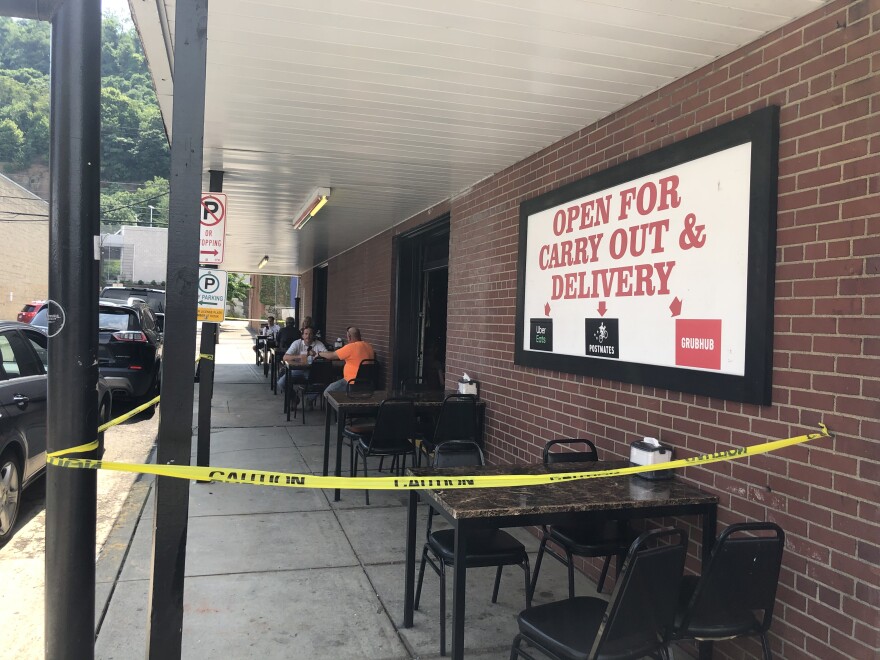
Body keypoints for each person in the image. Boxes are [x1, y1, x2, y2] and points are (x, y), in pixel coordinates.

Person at [319, 326, 374, 396]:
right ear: (360, 336)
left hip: (351, 382)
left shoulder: (351, 347)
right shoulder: (369, 346)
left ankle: (338, 406)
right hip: (367, 382)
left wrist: (319, 353)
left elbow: (332, 355)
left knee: (327, 392)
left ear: (349, 337)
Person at [278, 327, 327, 403]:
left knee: (326, 380)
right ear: (302, 335)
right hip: (299, 370)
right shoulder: (297, 343)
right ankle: (294, 398)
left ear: (314, 336)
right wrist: (299, 357)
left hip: (314, 371)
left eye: (310, 334)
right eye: (306, 334)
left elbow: (327, 355)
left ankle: (309, 399)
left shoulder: (319, 344)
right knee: (281, 383)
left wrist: (317, 354)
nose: (308, 336)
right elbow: (285, 357)